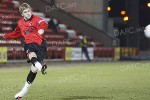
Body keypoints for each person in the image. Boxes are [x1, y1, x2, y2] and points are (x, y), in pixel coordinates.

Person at [3, 3, 48, 99]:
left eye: (29, 11)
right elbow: (16, 33)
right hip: (29, 44)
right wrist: (6, 36)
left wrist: (41, 30)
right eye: (25, 12)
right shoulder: (20, 23)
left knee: (33, 69)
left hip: (40, 44)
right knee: (31, 54)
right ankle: (41, 68)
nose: (28, 13)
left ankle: (23, 91)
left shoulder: (36, 19)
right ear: (22, 14)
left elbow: (43, 23)